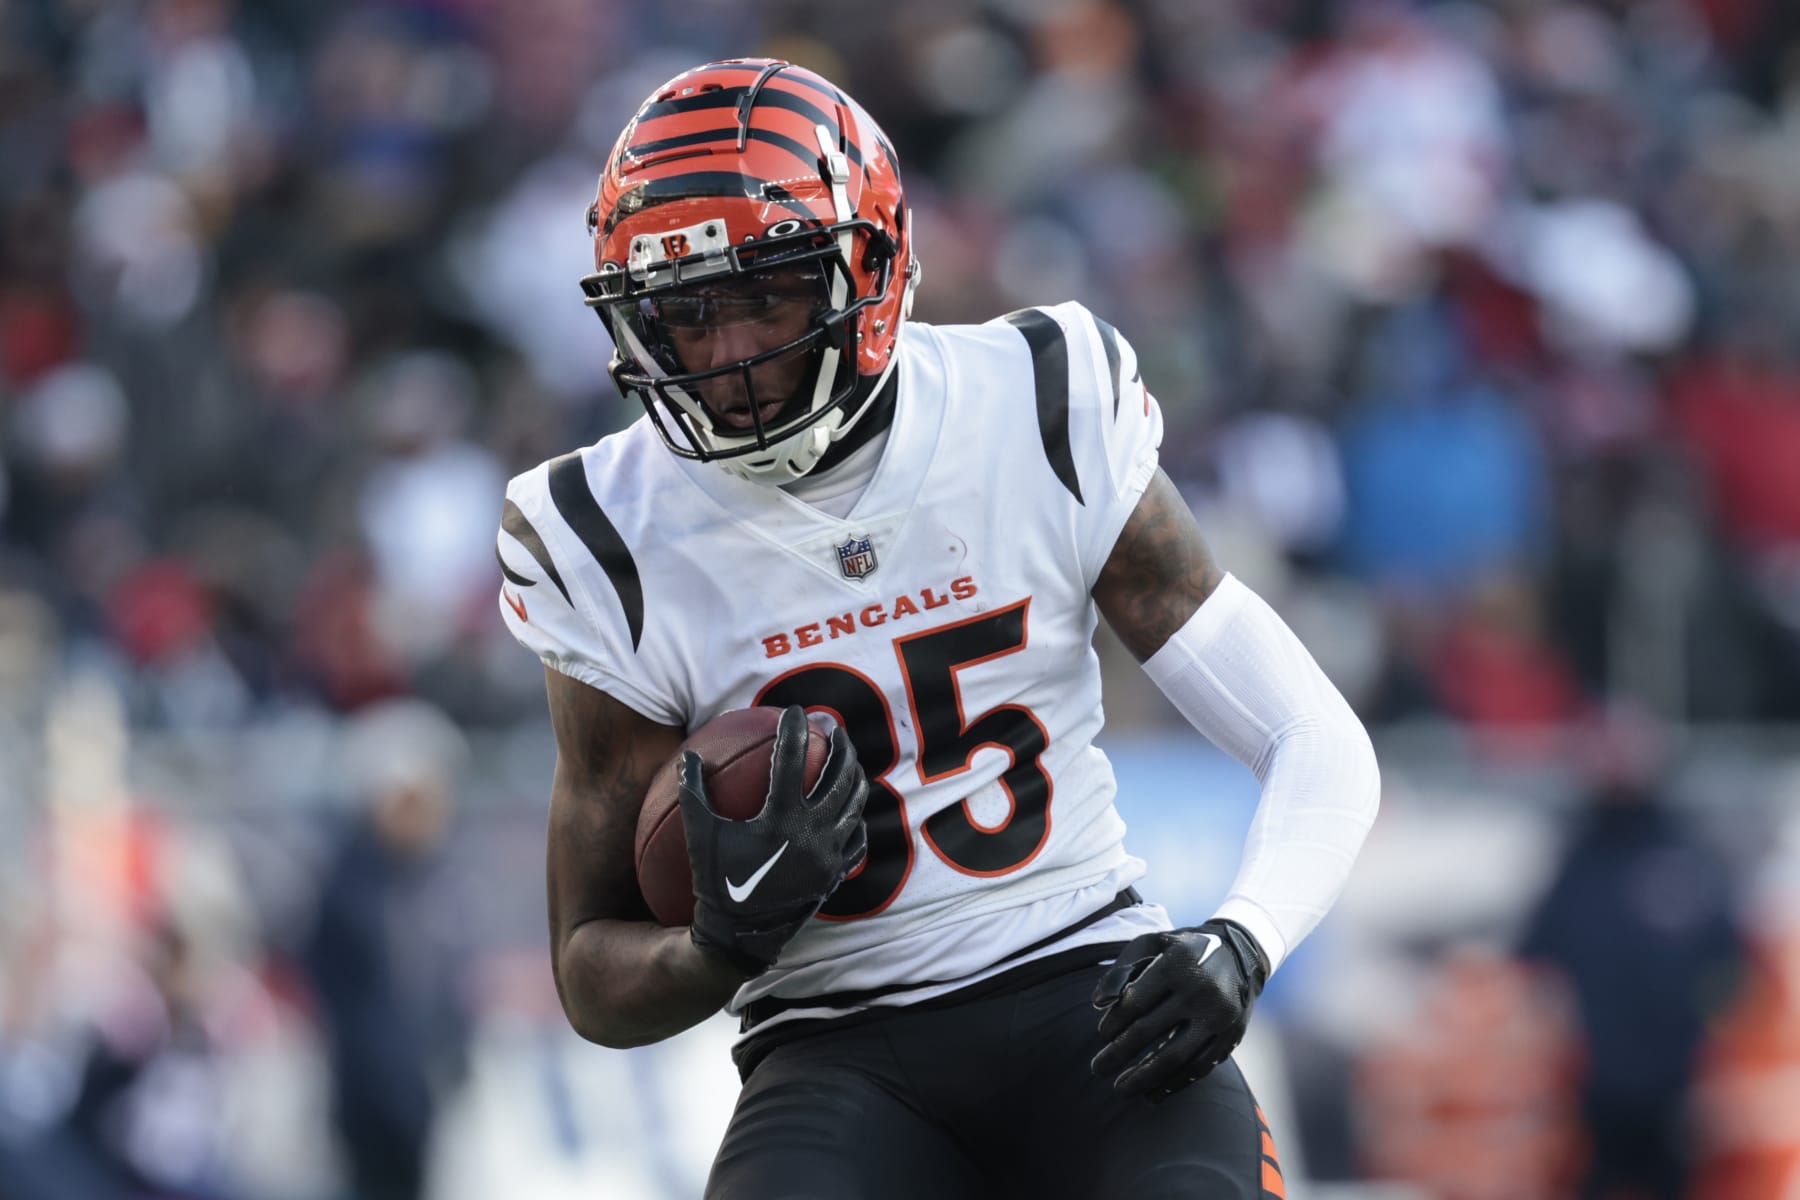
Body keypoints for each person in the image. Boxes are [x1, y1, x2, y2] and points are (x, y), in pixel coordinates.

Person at [496, 57, 1380, 1199]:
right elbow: (588, 971)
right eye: (686, 310)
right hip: (832, 1052)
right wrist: (715, 947)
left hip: (1090, 999)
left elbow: (1313, 737)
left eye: (764, 292)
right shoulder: (599, 530)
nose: (726, 358)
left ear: (873, 264)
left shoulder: (1038, 399)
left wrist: (1243, 939)